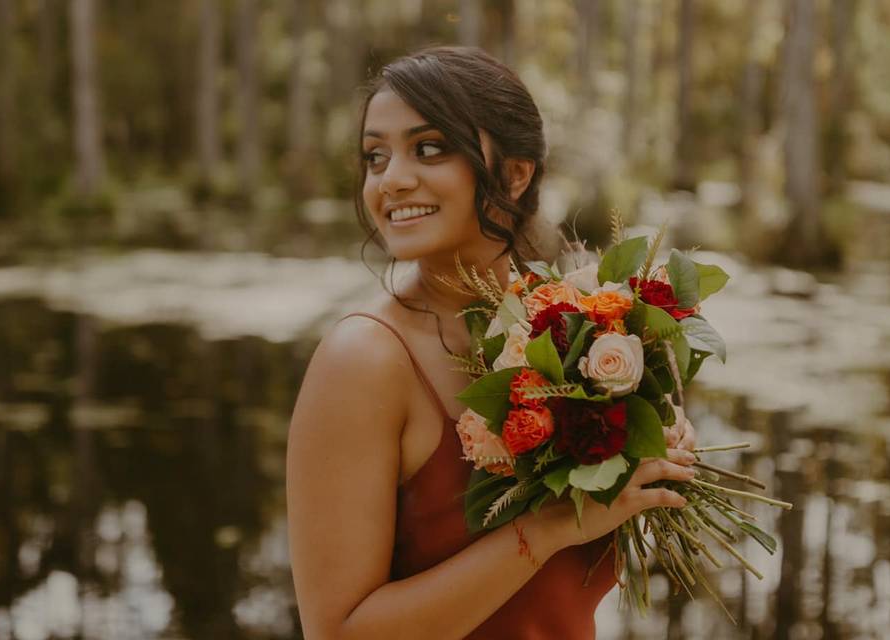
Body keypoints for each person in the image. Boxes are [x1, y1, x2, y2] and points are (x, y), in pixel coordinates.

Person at [287, 46, 697, 640]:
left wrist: (657, 450)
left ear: (515, 172)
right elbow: (340, 632)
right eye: (376, 156)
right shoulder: (364, 361)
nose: (392, 180)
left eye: (428, 148)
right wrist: (552, 527)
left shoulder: (579, 328)